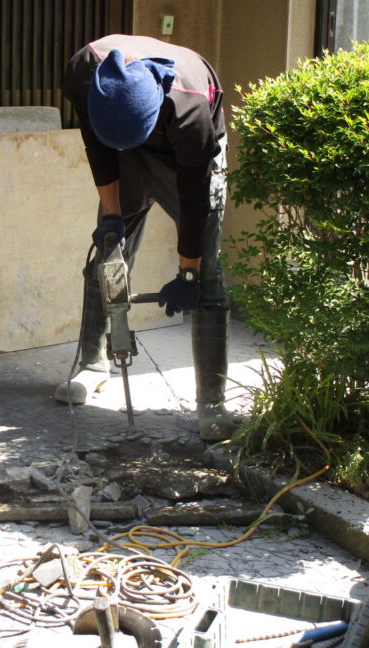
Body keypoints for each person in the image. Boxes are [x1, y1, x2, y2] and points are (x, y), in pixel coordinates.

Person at [57, 34, 237, 442]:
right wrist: (113, 218)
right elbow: (98, 149)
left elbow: (194, 199)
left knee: (207, 272)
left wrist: (187, 272)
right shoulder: (85, 74)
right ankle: (92, 362)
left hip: (188, 159)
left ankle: (212, 402)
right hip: (127, 148)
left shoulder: (191, 109)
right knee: (108, 256)